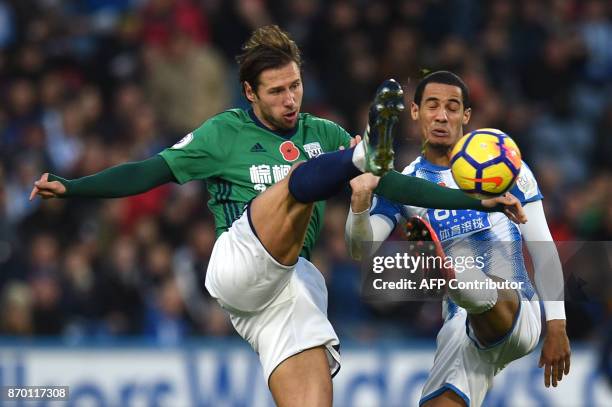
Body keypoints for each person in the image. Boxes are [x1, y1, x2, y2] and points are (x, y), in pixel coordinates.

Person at [31, 27, 524, 406]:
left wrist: (476, 201)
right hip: (239, 262)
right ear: (249, 92)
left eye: (296, 86)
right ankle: (364, 152)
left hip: (286, 290)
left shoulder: (322, 131)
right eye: (276, 92)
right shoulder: (223, 133)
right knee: (298, 182)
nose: (290, 100)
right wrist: (73, 188)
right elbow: (149, 171)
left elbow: (390, 184)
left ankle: (363, 154)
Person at [345, 71, 571, 407]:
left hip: (517, 310)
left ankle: (448, 273)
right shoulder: (407, 184)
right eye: (432, 106)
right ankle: (450, 276)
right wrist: (359, 202)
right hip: (461, 330)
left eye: (452, 108)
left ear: (466, 115)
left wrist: (557, 323)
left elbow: (542, 246)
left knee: (471, 277)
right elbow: (358, 249)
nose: (441, 116)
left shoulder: (502, 163)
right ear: (415, 111)